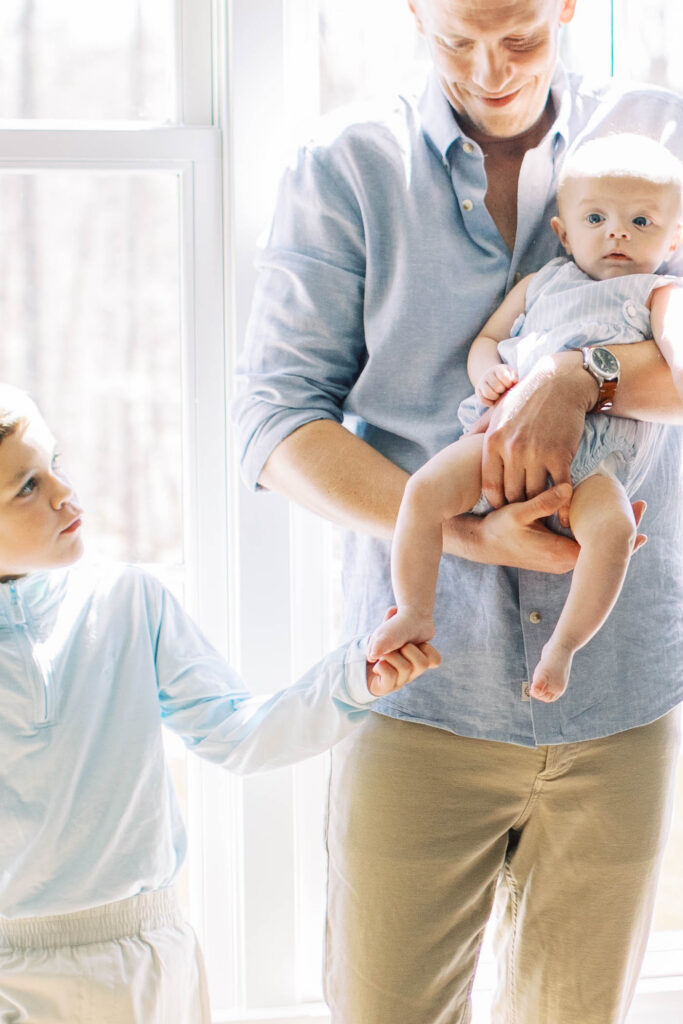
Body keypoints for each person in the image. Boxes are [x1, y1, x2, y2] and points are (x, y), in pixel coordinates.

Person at [232, 0, 683, 1020]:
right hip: (421, 696)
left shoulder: (660, 139)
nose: (489, 72)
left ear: (566, 5)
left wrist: (580, 373)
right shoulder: (345, 168)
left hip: (617, 702)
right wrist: (465, 535)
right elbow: (273, 422)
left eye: (521, 37)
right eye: (455, 41)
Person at [0, 383, 439, 1024]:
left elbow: (238, 734)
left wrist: (354, 676)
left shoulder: (130, 601)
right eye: (26, 487)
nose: (65, 492)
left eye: (55, 463)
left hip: (145, 959)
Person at [369, 133, 683, 702]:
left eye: (641, 221)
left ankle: (563, 647)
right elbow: (487, 340)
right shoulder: (540, 284)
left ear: (674, 239)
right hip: (497, 439)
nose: (617, 232)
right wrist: (487, 372)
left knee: (614, 532)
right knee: (423, 490)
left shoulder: (659, 292)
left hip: (593, 466)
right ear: (563, 232)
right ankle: (414, 609)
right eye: (596, 218)